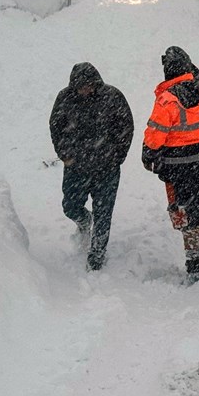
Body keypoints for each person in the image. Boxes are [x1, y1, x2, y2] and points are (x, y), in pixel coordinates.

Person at [142, 46, 199, 282]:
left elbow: (155, 136)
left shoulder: (167, 101)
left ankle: (194, 261)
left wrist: (148, 154)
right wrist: (190, 67)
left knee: (184, 211)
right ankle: (195, 255)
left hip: (179, 167)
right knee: (196, 208)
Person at [49, 62, 134, 271]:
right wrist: (65, 156)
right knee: (70, 206)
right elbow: (56, 127)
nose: (86, 90)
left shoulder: (112, 97)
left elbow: (126, 127)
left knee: (104, 214)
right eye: (81, 87)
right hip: (76, 168)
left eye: (89, 85)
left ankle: (96, 256)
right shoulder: (65, 98)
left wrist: (117, 156)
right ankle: (85, 221)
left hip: (107, 169)